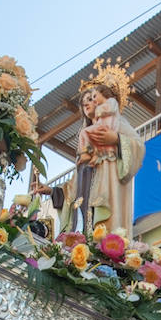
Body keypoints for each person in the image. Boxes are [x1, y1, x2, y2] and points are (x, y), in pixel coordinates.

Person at [57, 76, 144, 236]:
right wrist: (52, 192)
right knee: (83, 229)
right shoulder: (85, 137)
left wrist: (116, 139)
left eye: (91, 98)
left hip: (107, 191)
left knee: (103, 232)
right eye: (84, 102)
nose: (87, 104)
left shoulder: (117, 124)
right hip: (84, 197)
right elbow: (73, 188)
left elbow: (138, 146)